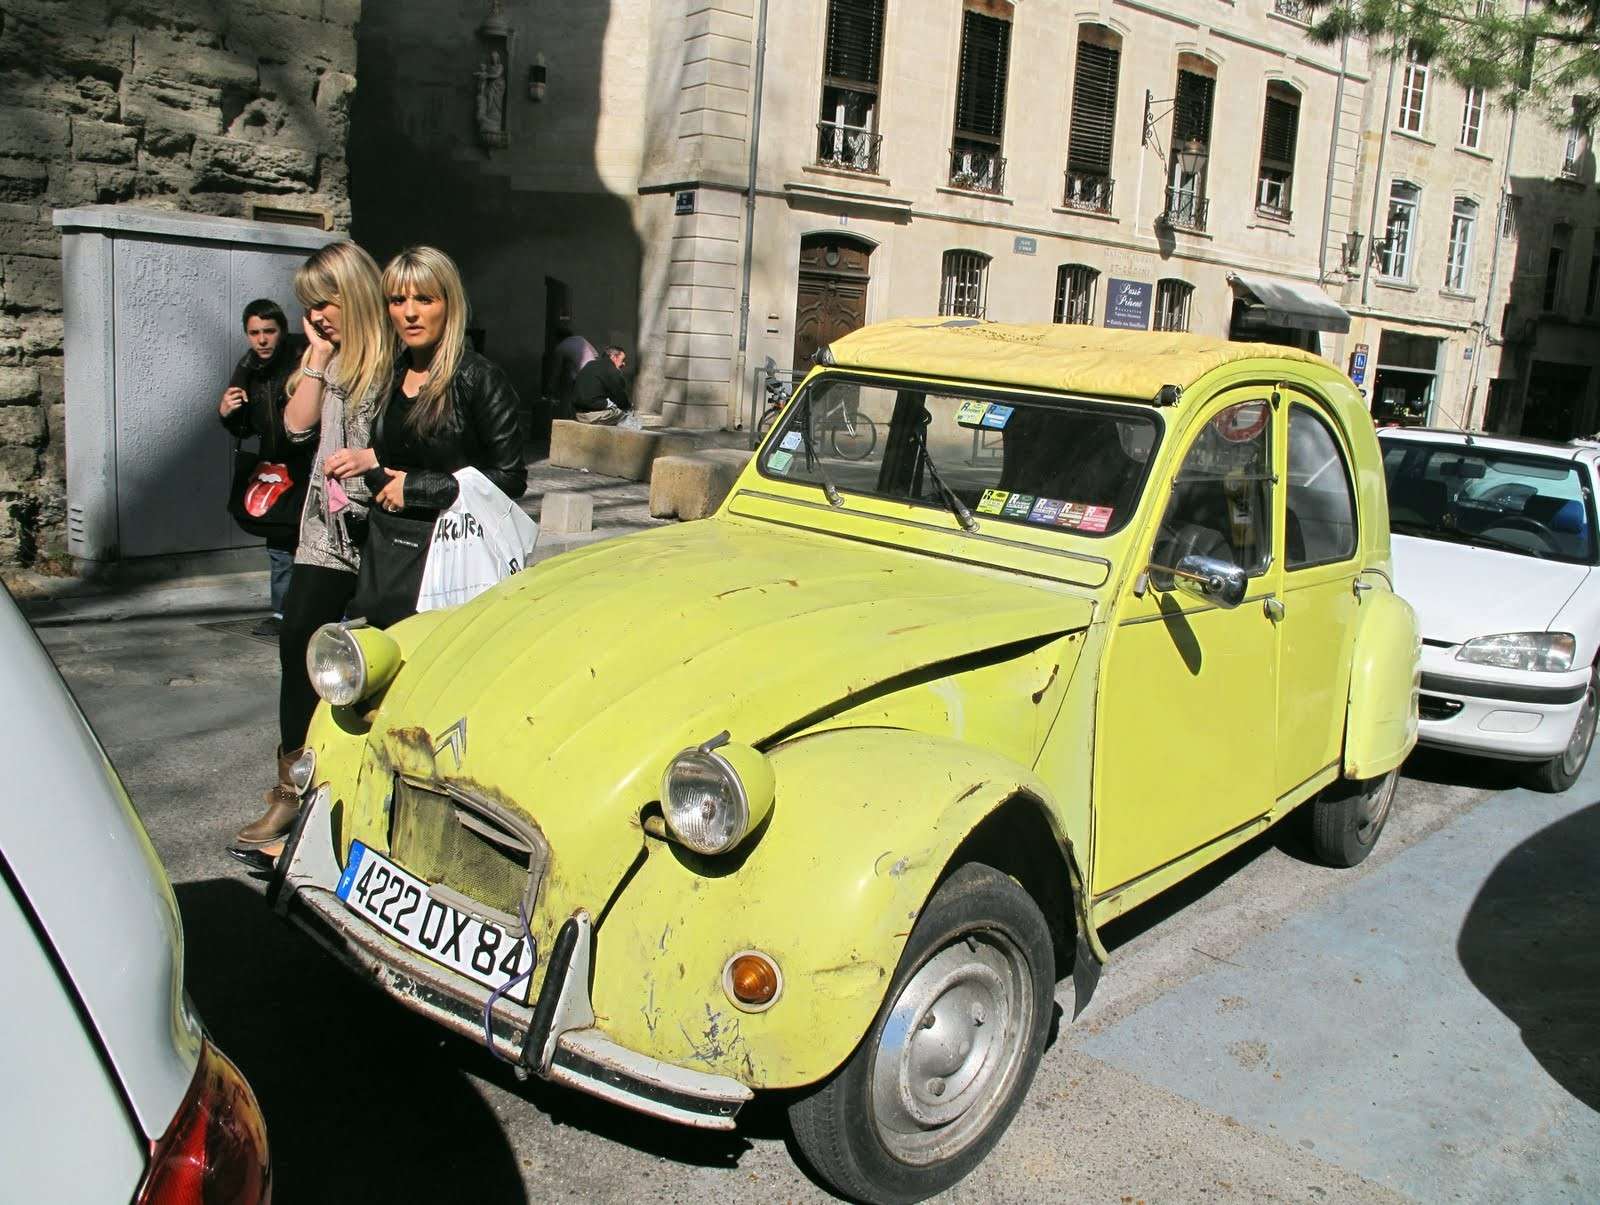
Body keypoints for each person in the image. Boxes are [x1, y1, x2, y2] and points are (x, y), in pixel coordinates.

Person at [229, 241, 391, 857]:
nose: (318, 316)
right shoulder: (327, 357)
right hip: (324, 530)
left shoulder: (393, 361)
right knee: (298, 643)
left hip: (381, 532)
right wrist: (319, 356)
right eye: (310, 307)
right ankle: (290, 790)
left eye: (327, 303)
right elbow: (296, 430)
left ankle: (368, 795)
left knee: (378, 661)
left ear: (354, 294)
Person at [353, 245, 527, 629]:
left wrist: (417, 488)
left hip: (454, 554)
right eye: (397, 300)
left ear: (449, 305)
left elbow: (510, 477)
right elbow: (392, 457)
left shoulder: (478, 378)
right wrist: (375, 474)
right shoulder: (390, 376)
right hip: (390, 552)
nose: (409, 312)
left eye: (424, 299)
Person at [219, 298, 311, 637]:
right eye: (254, 332)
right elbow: (246, 429)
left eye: (269, 332)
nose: (261, 340)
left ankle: (319, 609)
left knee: (313, 543)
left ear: (282, 331)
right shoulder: (248, 370)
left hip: (309, 465)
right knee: (278, 545)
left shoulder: (304, 361)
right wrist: (228, 413)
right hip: (274, 468)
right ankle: (282, 613)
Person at [544, 324, 597, 421]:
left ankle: (569, 416)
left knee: (568, 394)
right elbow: (595, 354)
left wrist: (550, 387)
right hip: (594, 372)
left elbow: (556, 371)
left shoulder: (561, 347)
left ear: (558, 338)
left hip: (582, 375)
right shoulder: (581, 339)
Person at [572, 344, 631, 425]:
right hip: (593, 416)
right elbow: (621, 399)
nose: (623, 364)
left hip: (578, 414)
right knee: (625, 416)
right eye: (622, 360)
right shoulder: (612, 370)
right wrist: (628, 407)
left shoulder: (590, 364)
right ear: (613, 357)